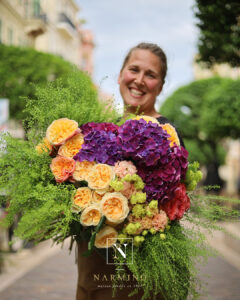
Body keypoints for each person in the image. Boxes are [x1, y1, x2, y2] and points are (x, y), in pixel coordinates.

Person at [76, 42, 184, 300]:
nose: (139, 80)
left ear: (160, 85)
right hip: (95, 265)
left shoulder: (167, 134)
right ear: (120, 74)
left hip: (142, 268)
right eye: (133, 70)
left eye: (151, 75)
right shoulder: (101, 128)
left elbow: (173, 206)